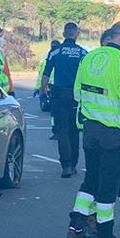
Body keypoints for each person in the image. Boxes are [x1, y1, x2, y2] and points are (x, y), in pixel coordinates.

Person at [64, 21, 120, 238]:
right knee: (108, 184)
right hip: (113, 132)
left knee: (91, 179)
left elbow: (77, 93)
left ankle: (76, 228)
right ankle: (105, 234)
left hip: (90, 130)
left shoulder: (89, 58)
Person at [41, 23, 90, 177]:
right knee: (74, 130)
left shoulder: (55, 51)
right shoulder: (83, 53)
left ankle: (66, 165)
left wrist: (44, 90)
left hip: (59, 95)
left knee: (62, 131)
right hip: (76, 97)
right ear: (76, 34)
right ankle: (73, 164)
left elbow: (46, 74)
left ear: (63, 34)